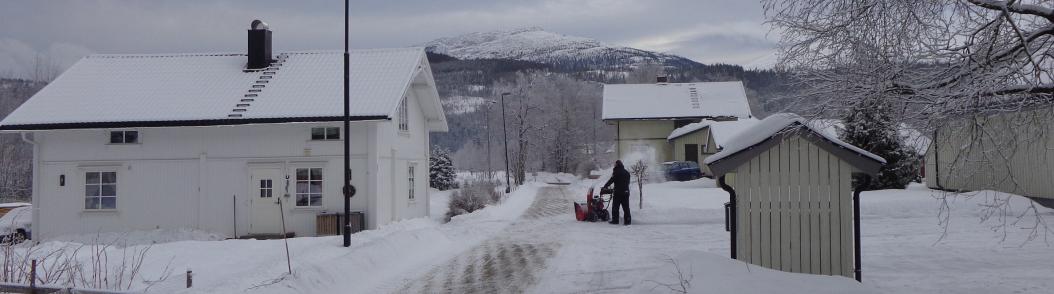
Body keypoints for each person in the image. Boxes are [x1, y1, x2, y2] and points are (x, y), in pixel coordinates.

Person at [602, 160, 632, 225]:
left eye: (615, 164)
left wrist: (605, 187)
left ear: (617, 164)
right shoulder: (627, 172)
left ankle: (615, 220)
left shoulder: (616, 172)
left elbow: (611, 180)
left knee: (615, 207)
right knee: (626, 208)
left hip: (618, 193)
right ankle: (628, 221)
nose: (614, 165)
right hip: (626, 192)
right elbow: (628, 182)